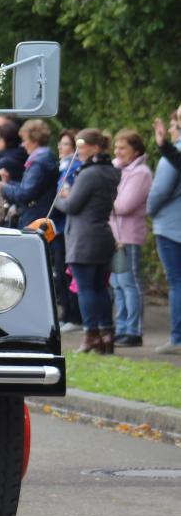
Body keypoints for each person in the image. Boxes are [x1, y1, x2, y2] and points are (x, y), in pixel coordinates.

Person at [54, 129, 121, 354]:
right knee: (100, 287)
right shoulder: (110, 171)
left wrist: (62, 197)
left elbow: (72, 206)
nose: (78, 151)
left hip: (84, 238)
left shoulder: (89, 174)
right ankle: (107, 332)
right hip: (103, 235)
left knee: (85, 289)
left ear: (94, 147)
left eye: (81, 146)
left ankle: (91, 333)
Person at [108, 129, 152, 347]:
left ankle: (134, 330)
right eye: (116, 147)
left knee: (129, 283)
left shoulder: (141, 173)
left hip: (128, 236)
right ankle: (122, 327)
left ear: (136, 150)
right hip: (114, 235)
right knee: (116, 283)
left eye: (123, 147)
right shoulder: (118, 169)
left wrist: (105, 198)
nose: (118, 151)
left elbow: (124, 205)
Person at [148, 106, 181, 354]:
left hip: (171, 227)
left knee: (177, 283)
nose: (170, 128)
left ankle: (177, 338)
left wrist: (149, 210)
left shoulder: (176, 152)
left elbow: (159, 191)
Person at [0, 119, 57, 229]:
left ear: (34, 140)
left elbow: (25, 195)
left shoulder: (38, 163)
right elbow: (29, 189)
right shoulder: (45, 158)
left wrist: (3, 187)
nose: (23, 144)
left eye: (25, 140)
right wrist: (8, 183)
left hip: (35, 218)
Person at [53, 129, 83, 330]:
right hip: (61, 226)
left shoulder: (74, 168)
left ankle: (73, 315)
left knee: (68, 273)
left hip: (67, 227)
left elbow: (66, 199)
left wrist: (61, 199)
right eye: (60, 143)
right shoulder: (64, 167)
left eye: (65, 144)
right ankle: (66, 313)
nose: (60, 148)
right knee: (61, 272)